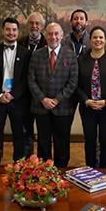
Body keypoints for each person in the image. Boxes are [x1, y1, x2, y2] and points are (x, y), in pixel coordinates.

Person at [28, 22, 78, 167]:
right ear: (46, 35)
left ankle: (61, 172)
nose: (53, 37)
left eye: (56, 33)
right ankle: (44, 173)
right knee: (43, 142)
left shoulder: (70, 55)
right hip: (41, 106)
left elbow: (73, 82)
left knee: (62, 142)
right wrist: (43, 99)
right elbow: (31, 80)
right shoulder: (37, 55)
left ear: (62, 35)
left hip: (63, 107)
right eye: (50, 34)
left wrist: (56, 99)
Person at [76, 26, 106, 168]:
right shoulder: (82, 59)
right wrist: (86, 100)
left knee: (105, 139)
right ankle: (90, 167)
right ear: (90, 40)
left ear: (105, 40)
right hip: (87, 107)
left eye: (101, 37)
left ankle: (105, 168)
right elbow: (76, 84)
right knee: (90, 139)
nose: (98, 40)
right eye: (95, 37)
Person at [0, 17, 30, 166]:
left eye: (14, 30)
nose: (11, 33)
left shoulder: (26, 53)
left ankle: (19, 166)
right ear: (2, 31)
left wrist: (13, 94)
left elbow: (26, 78)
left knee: (19, 134)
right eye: (8, 29)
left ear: (18, 32)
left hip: (17, 100)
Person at [18, 12, 47, 156]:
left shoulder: (48, 43)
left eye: (37, 24)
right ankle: (27, 163)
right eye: (31, 23)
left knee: (43, 132)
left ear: (42, 26)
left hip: (42, 95)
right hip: (23, 95)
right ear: (27, 25)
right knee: (25, 131)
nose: (34, 26)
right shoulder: (20, 42)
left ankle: (42, 164)